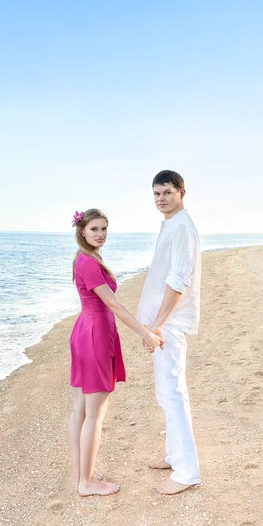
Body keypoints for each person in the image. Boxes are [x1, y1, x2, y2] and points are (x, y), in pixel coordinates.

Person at [68, 208, 163, 496]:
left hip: (89, 330)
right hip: (95, 334)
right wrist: (146, 333)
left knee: (82, 410)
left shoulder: (88, 259)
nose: (100, 234)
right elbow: (114, 305)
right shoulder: (88, 263)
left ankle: (82, 475)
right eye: (95, 229)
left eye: (104, 229)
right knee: (93, 413)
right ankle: (86, 482)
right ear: (82, 231)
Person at [137, 170, 202, 495]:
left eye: (167, 192)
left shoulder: (182, 228)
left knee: (172, 393)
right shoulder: (171, 225)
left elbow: (179, 280)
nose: (161, 199)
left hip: (169, 326)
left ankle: (188, 471)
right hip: (162, 324)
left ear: (181, 192)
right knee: (167, 392)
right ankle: (175, 456)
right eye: (157, 194)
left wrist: (157, 325)